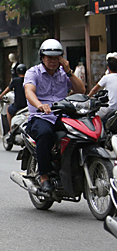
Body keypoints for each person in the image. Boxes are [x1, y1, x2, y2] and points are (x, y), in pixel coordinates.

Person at [24, 39, 85, 193]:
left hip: (63, 116)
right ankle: (44, 176)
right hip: (41, 117)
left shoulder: (64, 74)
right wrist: (39, 105)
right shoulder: (33, 72)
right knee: (45, 134)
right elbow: (29, 91)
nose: (53, 61)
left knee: (81, 133)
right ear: (42, 57)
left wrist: (69, 71)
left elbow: (81, 90)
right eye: (49, 58)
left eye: (56, 58)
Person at [88, 54, 117, 121]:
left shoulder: (106, 77)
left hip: (111, 107)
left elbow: (95, 89)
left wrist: (88, 96)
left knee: (93, 117)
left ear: (108, 68)